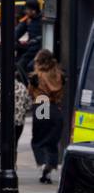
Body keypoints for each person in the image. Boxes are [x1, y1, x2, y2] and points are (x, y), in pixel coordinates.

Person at [28, 49, 66, 183]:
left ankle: (43, 163)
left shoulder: (36, 76)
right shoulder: (58, 75)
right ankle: (49, 169)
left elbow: (31, 93)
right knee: (52, 142)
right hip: (56, 109)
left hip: (42, 104)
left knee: (38, 140)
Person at [15, 0, 43, 78]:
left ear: (33, 11)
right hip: (30, 48)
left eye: (27, 9)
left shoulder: (43, 20)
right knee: (17, 63)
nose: (25, 11)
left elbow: (45, 35)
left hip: (39, 50)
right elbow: (19, 30)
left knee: (29, 66)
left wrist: (36, 40)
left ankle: (30, 85)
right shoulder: (28, 20)